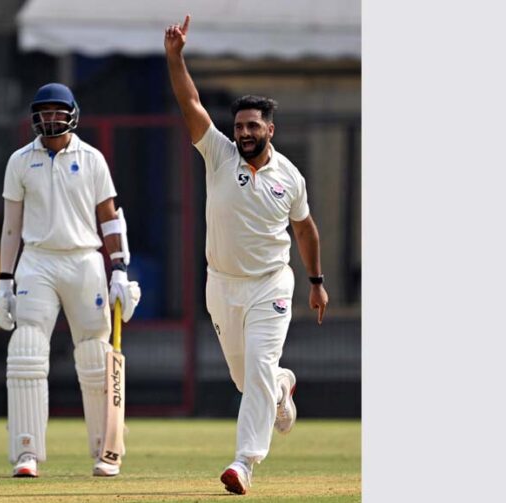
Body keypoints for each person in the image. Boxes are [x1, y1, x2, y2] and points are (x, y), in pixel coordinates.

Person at [164, 15, 329, 495]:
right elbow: (191, 103)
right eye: (239, 126)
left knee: (256, 367)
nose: (244, 133)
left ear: (270, 129)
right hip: (222, 284)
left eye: (253, 126)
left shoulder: (290, 177)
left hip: (270, 284)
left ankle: (244, 463)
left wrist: (316, 283)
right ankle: (281, 387)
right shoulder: (219, 155)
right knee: (246, 379)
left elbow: (305, 229)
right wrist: (175, 58)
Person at [0, 83, 141, 478]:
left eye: (58, 111)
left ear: (71, 114)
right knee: (26, 348)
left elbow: (110, 218)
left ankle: (106, 449)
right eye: (45, 112)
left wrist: (120, 269)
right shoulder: (20, 161)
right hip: (37, 260)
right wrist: (4, 282)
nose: (51, 118)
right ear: (35, 116)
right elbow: (11, 227)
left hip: (83, 260)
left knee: (94, 353)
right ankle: (26, 452)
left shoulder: (92, 159)